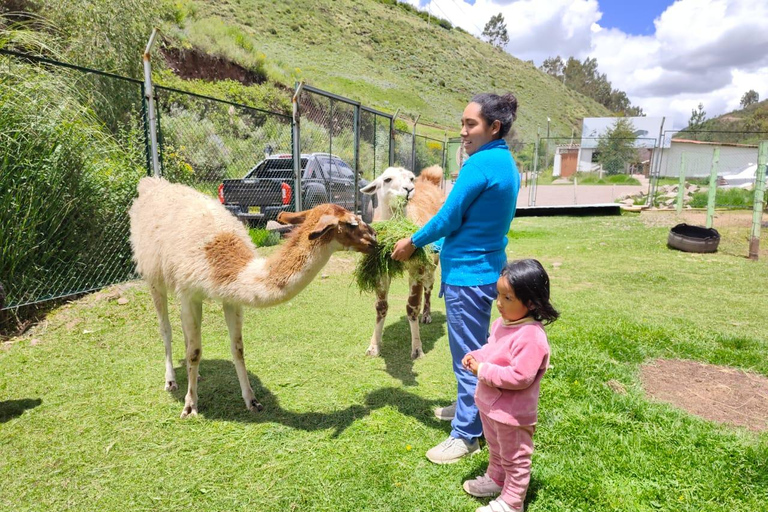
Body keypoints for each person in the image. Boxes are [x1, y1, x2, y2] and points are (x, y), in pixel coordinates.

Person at [391, 93, 520, 464]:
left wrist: (413, 242)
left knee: (467, 355)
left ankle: (467, 435)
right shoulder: (506, 163)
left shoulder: (479, 166)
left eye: (471, 125)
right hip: (488, 266)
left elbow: (448, 217)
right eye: (462, 123)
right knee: (479, 348)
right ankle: (471, 408)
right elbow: (474, 220)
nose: (462, 132)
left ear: (494, 127)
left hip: (468, 274)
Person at [460, 259, 559, 512]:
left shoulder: (531, 336)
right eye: (498, 295)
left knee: (515, 458)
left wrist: (483, 370)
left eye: (508, 298)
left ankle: (512, 502)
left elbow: (520, 376)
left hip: (512, 415)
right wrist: (478, 357)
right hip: (490, 407)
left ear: (531, 303)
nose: (499, 303)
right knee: (495, 449)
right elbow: (491, 350)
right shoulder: (501, 325)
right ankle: (496, 479)